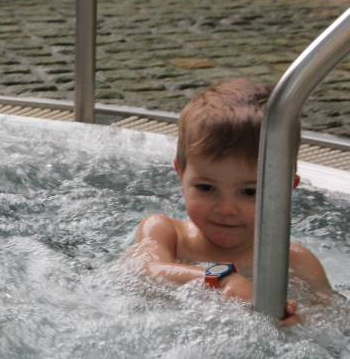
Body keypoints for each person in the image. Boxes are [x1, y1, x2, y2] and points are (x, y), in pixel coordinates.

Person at [127, 79, 336, 322]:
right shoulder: (166, 233)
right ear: (181, 174)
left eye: (249, 192)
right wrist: (222, 277)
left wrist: (297, 322)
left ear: (286, 189)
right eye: (206, 188)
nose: (226, 209)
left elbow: (333, 319)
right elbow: (146, 271)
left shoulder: (294, 262)